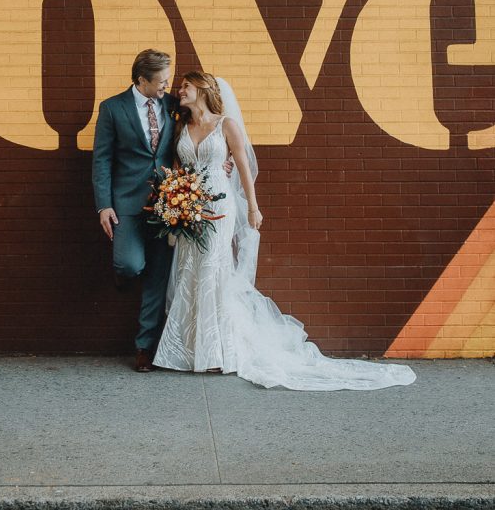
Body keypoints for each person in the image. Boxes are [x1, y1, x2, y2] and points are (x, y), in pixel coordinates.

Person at [153, 72, 417, 391]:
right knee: (189, 272)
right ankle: (186, 352)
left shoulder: (226, 125)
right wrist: (176, 197)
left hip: (220, 207)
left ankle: (217, 352)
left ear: (204, 90)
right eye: (180, 87)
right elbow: (179, 168)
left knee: (212, 272)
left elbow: (243, 166)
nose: (180, 91)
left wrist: (253, 206)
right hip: (189, 208)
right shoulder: (183, 126)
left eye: (186, 87)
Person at [92, 49, 177, 372]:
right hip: (126, 202)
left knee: (157, 277)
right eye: (161, 82)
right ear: (141, 80)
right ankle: (124, 271)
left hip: (167, 205)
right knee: (129, 265)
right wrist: (104, 204)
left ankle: (145, 347)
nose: (166, 87)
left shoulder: (171, 106)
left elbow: (199, 129)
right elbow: (101, 159)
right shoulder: (113, 109)